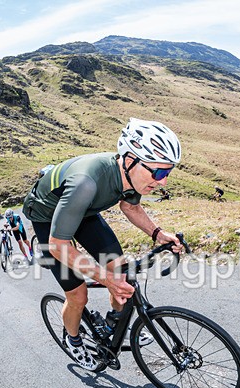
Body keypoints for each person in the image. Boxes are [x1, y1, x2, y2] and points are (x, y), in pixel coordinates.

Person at [23, 118, 183, 370]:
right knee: (78, 294)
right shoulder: (86, 182)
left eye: (167, 172)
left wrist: (157, 234)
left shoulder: (132, 176)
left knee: (120, 270)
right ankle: (73, 340)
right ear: (130, 160)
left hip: (85, 213)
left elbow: (130, 206)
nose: (163, 181)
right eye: (158, 172)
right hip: (47, 219)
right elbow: (58, 245)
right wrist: (105, 278)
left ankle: (114, 323)